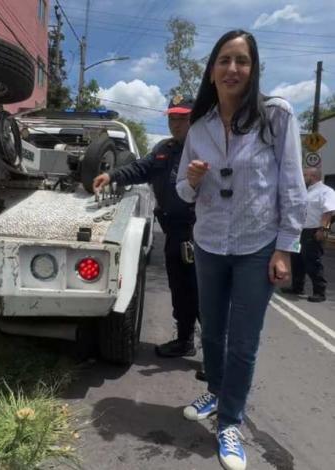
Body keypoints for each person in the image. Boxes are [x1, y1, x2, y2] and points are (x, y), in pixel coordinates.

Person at [175, 30, 306, 470]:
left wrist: (285, 248)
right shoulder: (199, 127)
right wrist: (191, 180)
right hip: (210, 243)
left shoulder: (276, 115)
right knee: (211, 331)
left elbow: (292, 183)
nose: (232, 69)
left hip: (257, 245)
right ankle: (215, 390)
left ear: (253, 70)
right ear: (211, 71)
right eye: (224, 61)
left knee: (243, 343)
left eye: (242, 61)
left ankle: (229, 422)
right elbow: (182, 192)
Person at [94, 95, 203, 363]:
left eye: (182, 119)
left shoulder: (204, 150)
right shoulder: (164, 148)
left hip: (199, 233)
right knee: (180, 290)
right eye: (172, 118)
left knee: (203, 293)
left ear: (194, 120)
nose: (175, 124)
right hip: (174, 233)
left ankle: (213, 357)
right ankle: (185, 341)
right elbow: (142, 168)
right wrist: (112, 175)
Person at [282, 166, 335, 302]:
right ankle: (297, 287)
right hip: (300, 231)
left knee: (312, 261)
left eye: (305, 175)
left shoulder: (325, 192)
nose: (302, 177)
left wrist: (323, 230)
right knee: (297, 260)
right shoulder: (306, 191)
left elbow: (328, 212)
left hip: (314, 231)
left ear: (313, 176)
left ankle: (320, 292)